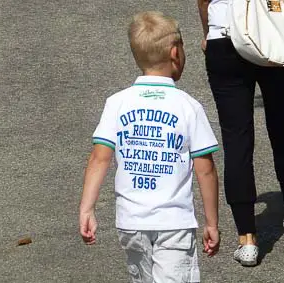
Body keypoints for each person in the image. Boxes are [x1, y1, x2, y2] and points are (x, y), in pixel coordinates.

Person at [79, 11, 220, 283]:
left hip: (131, 222)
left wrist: (87, 208)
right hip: (174, 222)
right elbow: (206, 170)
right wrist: (212, 222)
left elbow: (99, 158)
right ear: (175, 53)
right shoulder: (188, 107)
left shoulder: (117, 103)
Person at [198, 0, 284, 266]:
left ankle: (247, 239)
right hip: (272, 33)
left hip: (224, 38)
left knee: (236, 140)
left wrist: (207, 33)